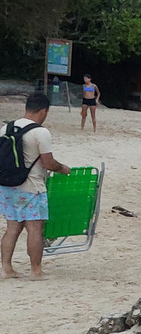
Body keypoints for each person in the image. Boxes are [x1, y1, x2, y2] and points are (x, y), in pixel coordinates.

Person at [1, 93, 72, 279]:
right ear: (43, 111)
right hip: (31, 187)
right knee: (34, 228)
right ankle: (36, 270)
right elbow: (48, 163)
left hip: (8, 186)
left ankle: (6, 269)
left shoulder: (6, 127)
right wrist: (63, 168)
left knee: (12, 228)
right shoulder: (41, 132)